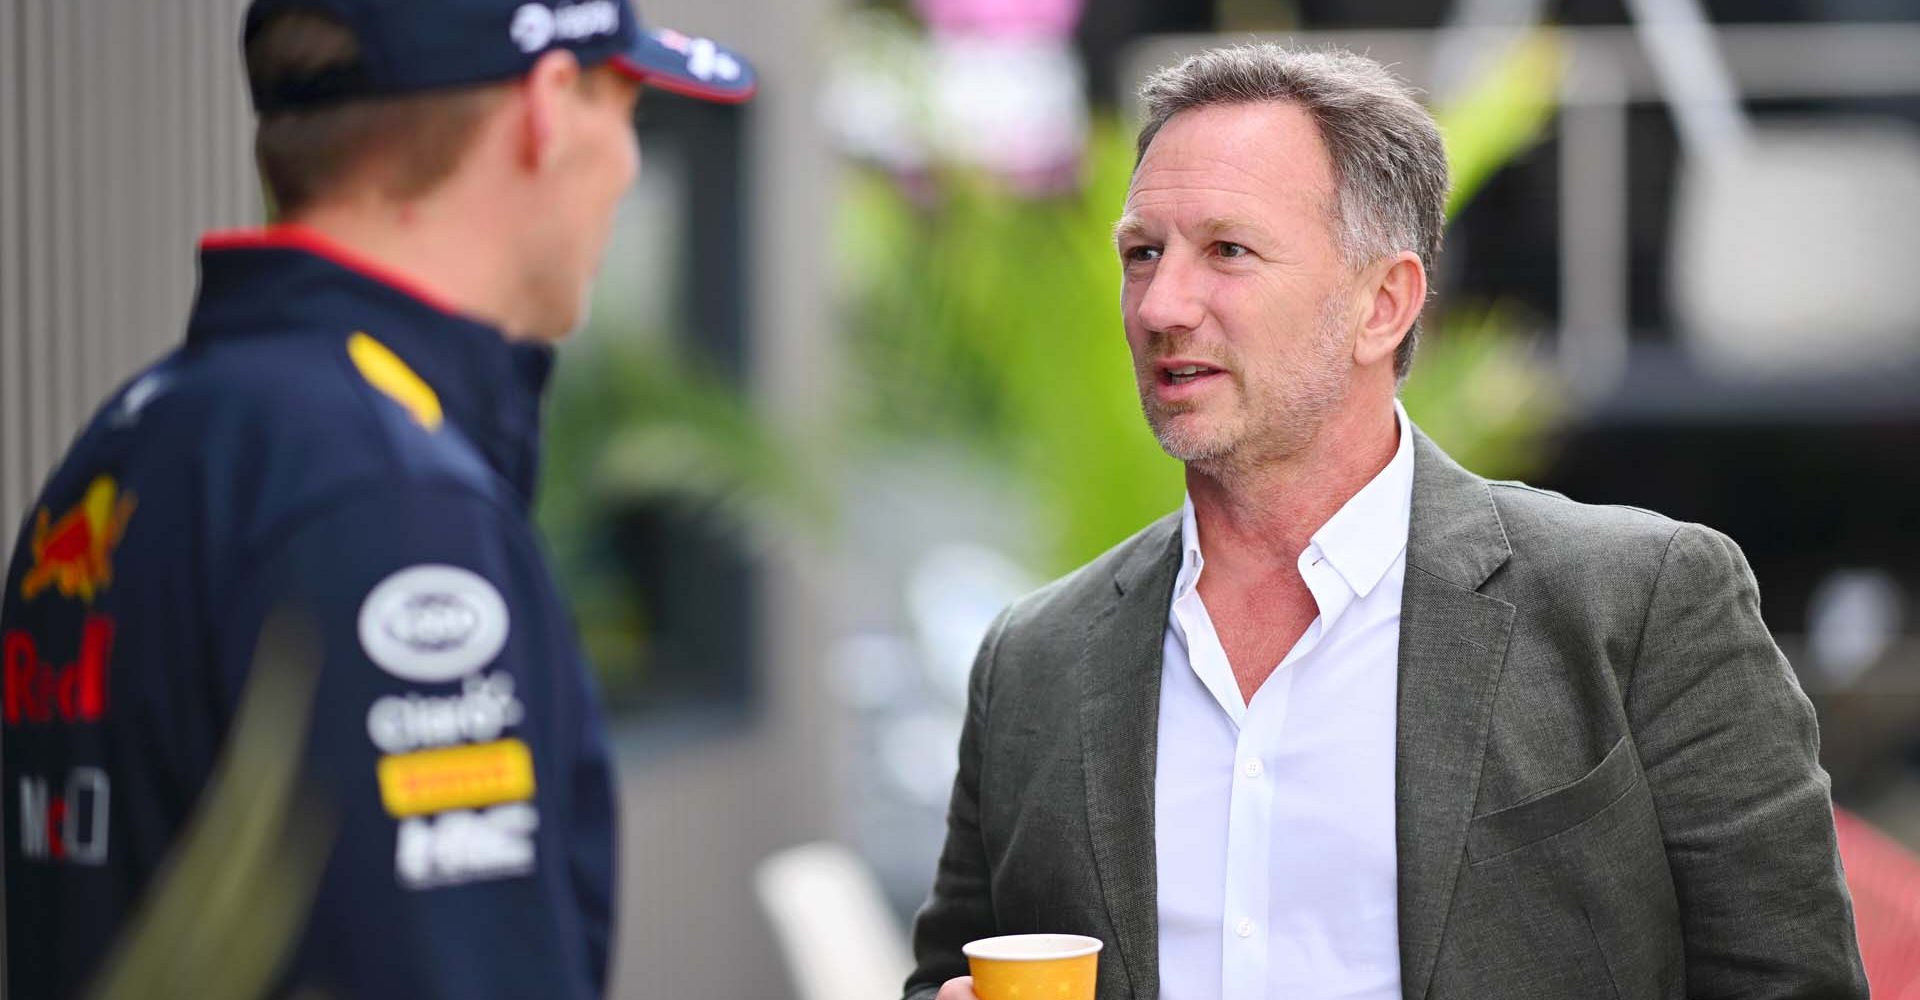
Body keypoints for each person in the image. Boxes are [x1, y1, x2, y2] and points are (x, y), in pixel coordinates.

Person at [906, 45, 1866, 1000]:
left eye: (1228, 251)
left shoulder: (1639, 605)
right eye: (1141, 253)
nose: (1161, 304)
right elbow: (953, 972)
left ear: (1385, 305)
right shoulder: (1034, 661)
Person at [0, 1, 753, 996]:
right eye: (627, 111)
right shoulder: (388, 503)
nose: (626, 166)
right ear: (549, 104)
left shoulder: (126, 448)